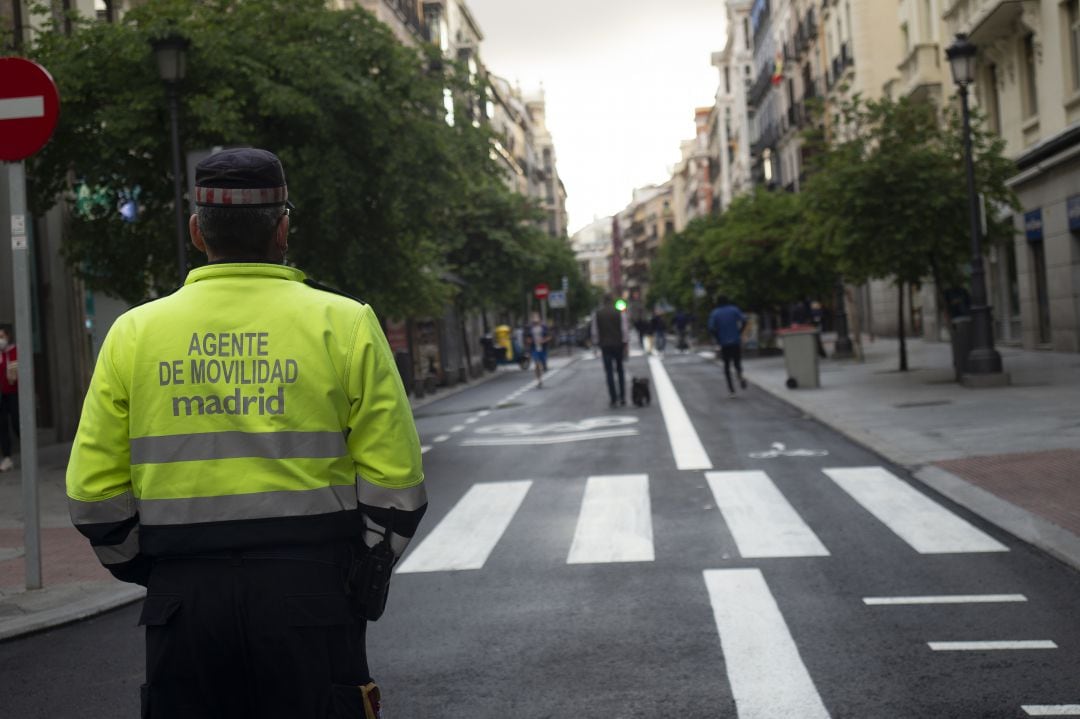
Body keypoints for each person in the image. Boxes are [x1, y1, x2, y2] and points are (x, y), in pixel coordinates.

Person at [66, 149, 425, 719]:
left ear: (196, 232)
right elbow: (398, 482)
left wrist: (155, 569)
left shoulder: (132, 333)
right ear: (282, 229)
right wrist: (357, 572)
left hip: (182, 602)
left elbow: (93, 497)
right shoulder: (345, 323)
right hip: (312, 595)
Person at [591, 293, 629, 408]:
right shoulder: (620, 313)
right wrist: (626, 344)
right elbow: (624, 329)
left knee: (609, 372)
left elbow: (594, 331)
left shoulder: (597, 314)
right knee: (620, 370)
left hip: (605, 346)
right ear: (612, 301)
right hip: (618, 344)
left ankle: (613, 398)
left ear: (603, 301)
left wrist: (596, 345)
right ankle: (622, 397)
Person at [708, 295, 748, 398]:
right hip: (735, 340)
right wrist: (739, 332)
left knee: (726, 366)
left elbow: (711, 328)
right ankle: (740, 375)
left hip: (724, 343)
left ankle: (731, 390)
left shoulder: (715, 313)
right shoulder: (734, 309)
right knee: (737, 362)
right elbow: (744, 320)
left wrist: (718, 338)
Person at [0, 325, 18, 472]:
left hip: (14, 393)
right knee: (3, 426)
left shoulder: (14, 351)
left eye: (2, 337)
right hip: (2, 394)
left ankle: (27, 449)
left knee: (17, 423)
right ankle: (7, 457)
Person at [527, 312, 551, 387]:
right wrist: (529, 341)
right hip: (534, 348)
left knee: (543, 363)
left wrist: (543, 341)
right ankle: (539, 381)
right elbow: (527, 338)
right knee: (537, 364)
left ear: (539, 318)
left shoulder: (544, 327)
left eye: (536, 317)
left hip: (543, 348)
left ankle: (544, 366)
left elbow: (549, 336)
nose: (535, 319)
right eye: (533, 317)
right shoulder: (530, 328)